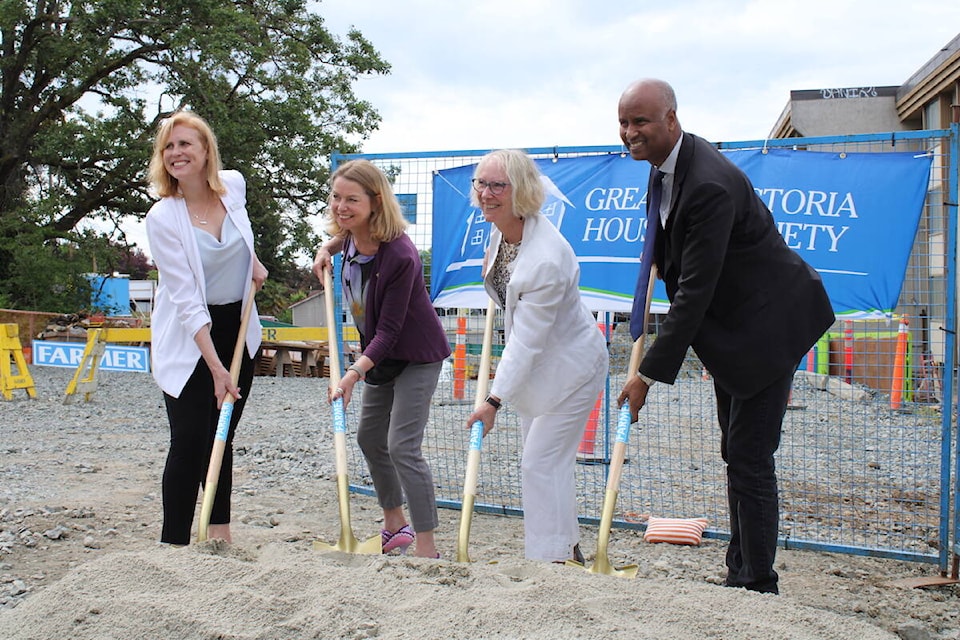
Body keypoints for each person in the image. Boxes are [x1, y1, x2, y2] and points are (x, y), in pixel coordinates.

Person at [616, 79, 835, 594]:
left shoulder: (708, 184)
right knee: (735, 451)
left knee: (750, 456)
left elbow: (695, 291)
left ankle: (757, 584)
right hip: (736, 334)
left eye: (640, 121)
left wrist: (647, 375)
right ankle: (741, 569)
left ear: (671, 118)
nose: (629, 132)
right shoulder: (666, 170)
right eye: (623, 122)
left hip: (770, 328)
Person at [465, 149, 609, 564]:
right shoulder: (502, 231)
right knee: (550, 463)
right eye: (480, 183)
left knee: (539, 463)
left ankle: (548, 563)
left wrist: (493, 401)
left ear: (522, 191)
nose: (485, 194)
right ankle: (569, 550)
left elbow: (526, 340)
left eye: (497, 185)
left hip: (573, 367)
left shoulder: (546, 258)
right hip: (542, 367)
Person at [312, 159, 449, 559]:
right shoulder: (352, 236)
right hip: (379, 357)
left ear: (375, 202)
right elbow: (342, 238)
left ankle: (427, 547)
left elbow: (389, 332)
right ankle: (394, 523)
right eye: (337, 197)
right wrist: (326, 247)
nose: (342, 207)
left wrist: (352, 375)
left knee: (402, 446)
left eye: (352, 200)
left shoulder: (401, 256)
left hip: (417, 356)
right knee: (370, 438)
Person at [145, 110, 268, 545]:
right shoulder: (162, 217)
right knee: (189, 440)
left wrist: (250, 261)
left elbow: (241, 235)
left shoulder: (233, 185)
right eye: (169, 147)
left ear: (205, 151)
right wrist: (216, 368)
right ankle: (174, 543)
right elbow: (185, 299)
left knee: (223, 434)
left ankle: (219, 536)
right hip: (190, 335)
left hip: (237, 326)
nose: (177, 153)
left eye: (185, 144)